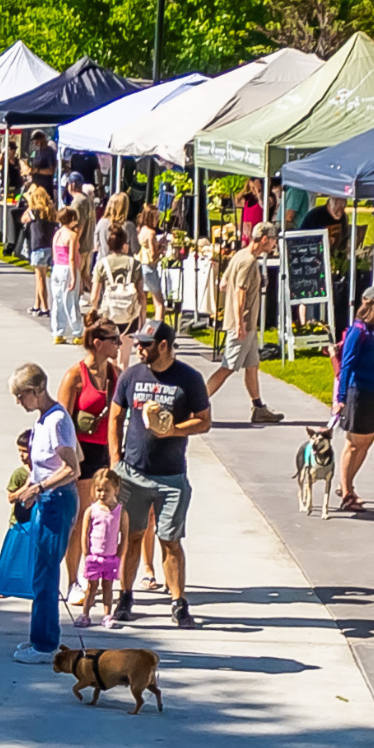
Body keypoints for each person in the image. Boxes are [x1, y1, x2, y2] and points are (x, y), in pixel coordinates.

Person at [108, 318, 211, 629]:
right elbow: (115, 417)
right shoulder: (131, 375)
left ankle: (179, 603)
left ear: (164, 346)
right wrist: (116, 461)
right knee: (133, 536)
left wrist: (173, 431)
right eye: (138, 343)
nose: (138, 347)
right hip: (133, 473)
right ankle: (125, 597)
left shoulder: (189, 379)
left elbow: (204, 421)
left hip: (171, 477)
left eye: (145, 344)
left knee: (170, 540)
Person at [6, 362, 81, 662]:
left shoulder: (57, 421)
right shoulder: (44, 420)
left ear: (35, 392)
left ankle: (46, 645)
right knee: (40, 572)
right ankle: (39, 637)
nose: (19, 402)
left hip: (56, 501)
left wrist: (39, 488)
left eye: (21, 395)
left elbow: (73, 467)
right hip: (45, 501)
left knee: (46, 574)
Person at [58, 316, 123, 590]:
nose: (120, 344)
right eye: (114, 340)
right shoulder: (76, 375)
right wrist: (68, 460)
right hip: (82, 453)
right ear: (98, 344)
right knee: (82, 517)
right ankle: (73, 579)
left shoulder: (115, 374)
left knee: (106, 516)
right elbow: (61, 421)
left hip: (106, 453)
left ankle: (97, 575)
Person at [203, 223, 284, 424]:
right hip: (242, 325)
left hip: (247, 326)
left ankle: (258, 407)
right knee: (228, 367)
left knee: (252, 365)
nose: (274, 244)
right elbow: (240, 291)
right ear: (264, 238)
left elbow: (223, 284)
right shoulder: (248, 262)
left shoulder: (240, 256)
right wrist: (240, 323)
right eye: (273, 239)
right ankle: (196, 403)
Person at [334, 285, 374, 512]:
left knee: (365, 444)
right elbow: (347, 365)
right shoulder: (358, 331)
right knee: (353, 444)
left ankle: (346, 484)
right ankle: (347, 491)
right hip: (359, 393)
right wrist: (340, 398)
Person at [73, 467, 129, 629]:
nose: (102, 494)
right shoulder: (91, 510)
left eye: (106, 490)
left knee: (108, 586)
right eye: (99, 490)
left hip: (111, 556)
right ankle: (85, 614)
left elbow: (124, 535)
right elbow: (85, 534)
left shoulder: (120, 512)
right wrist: (86, 553)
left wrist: (119, 554)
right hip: (94, 556)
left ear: (116, 489)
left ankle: (107, 615)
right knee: (91, 587)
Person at [93, 223, 145, 365]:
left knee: (111, 359)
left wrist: (94, 314)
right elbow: (141, 295)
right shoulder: (135, 264)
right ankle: (123, 385)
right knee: (124, 359)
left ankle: (112, 385)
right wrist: (143, 319)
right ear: (124, 245)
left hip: (109, 315)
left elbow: (94, 297)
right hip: (130, 316)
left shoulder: (102, 264)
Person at [23, 184, 58, 314]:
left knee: (40, 278)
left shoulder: (35, 211)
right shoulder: (51, 211)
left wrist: (29, 204)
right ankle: (36, 304)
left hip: (38, 246)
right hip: (48, 246)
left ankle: (44, 307)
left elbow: (23, 219)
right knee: (40, 276)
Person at [50, 205, 82, 341]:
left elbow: (54, 254)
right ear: (72, 219)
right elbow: (72, 257)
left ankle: (58, 331)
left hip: (57, 267)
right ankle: (77, 332)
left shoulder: (57, 233)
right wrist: (74, 277)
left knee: (57, 300)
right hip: (68, 268)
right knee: (71, 300)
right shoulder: (72, 235)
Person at [136, 204, 166, 318]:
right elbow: (153, 255)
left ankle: (141, 325)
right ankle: (159, 328)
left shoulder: (141, 229)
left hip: (140, 265)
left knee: (142, 300)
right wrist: (161, 249)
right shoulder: (151, 233)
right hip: (149, 267)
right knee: (159, 302)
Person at [71, 179, 98, 301]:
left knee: (78, 275)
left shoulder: (78, 202)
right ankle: (97, 298)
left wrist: (74, 243)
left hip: (80, 245)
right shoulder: (88, 200)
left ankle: (79, 300)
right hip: (88, 243)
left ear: (71, 185)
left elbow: (77, 226)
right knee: (85, 275)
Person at [22, 130, 57, 200]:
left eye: (37, 141)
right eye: (34, 141)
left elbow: (51, 171)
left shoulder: (49, 151)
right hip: (36, 188)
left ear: (43, 139)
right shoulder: (37, 152)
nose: (35, 143)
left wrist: (37, 170)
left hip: (45, 190)